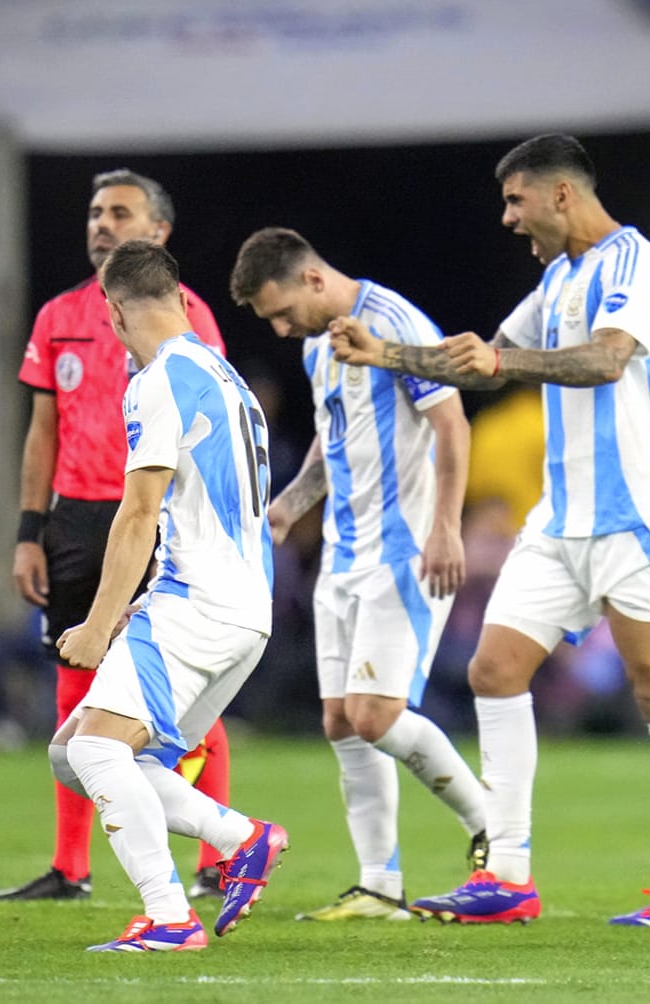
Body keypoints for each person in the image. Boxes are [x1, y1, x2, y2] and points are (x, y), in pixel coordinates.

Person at [330, 134, 650, 927]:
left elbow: (606, 362)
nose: (507, 219)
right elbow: (485, 358)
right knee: (493, 671)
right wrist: (385, 353)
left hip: (631, 519)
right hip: (559, 520)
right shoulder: (561, 277)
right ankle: (507, 876)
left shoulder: (631, 263)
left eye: (515, 200)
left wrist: (503, 367)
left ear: (561, 195)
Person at [230, 226, 488, 921]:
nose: (281, 329)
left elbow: (451, 422)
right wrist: (287, 507)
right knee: (341, 721)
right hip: (343, 556)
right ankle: (380, 884)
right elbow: (331, 436)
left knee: (376, 715)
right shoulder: (321, 344)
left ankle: (495, 827)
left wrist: (444, 526)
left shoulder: (393, 324)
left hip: (402, 552)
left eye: (281, 311)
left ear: (312, 278)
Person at [0, 168, 234, 903]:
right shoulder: (58, 315)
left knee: (182, 696)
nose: (102, 223)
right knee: (73, 686)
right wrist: (30, 531)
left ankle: (215, 861)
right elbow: (42, 432)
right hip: (76, 519)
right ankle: (72, 868)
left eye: (120, 213)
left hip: (153, 515)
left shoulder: (187, 318)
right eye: (96, 212)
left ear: (158, 233)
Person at [48, 238, 282, 953]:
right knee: (85, 753)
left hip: (199, 605)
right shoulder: (227, 379)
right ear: (180, 299)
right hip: (244, 610)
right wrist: (138, 601)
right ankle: (241, 839)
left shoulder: (158, 380)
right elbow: (204, 513)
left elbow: (140, 512)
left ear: (115, 313)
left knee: (93, 754)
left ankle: (169, 917)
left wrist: (92, 628)